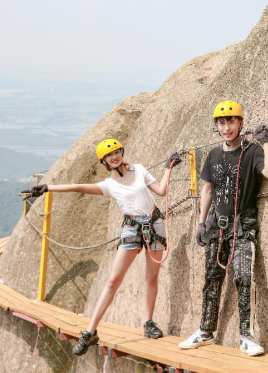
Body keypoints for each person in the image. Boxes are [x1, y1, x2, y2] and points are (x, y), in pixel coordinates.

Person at [23, 139, 181, 356]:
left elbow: (161, 191)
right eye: (109, 155)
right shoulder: (109, 184)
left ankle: (148, 323)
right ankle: (90, 331)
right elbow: (78, 187)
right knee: (113, 281)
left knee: (151, 278)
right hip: (132, 228)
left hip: (154, 223)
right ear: (104, 161)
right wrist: (48, 187)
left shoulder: (140, 170)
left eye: (116, 152)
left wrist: (168, 168)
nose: (114, 157)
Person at [178, 100, 268, 356]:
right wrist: (201, 223)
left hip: (242, 225)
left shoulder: (252, 151)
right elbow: (207, 190)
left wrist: (265, 143)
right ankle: (205, 330)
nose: (226, 127)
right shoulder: (213, 155)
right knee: (212, 280)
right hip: (216, 226)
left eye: (231, 121)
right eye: (222, 123)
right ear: (217, 126)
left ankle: (246, 336)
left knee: (244, 278)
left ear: (240, 123)